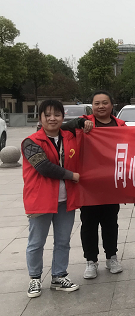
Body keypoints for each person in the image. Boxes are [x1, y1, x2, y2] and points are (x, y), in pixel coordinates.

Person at [62, 90, 125, 279]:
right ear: (92, 106)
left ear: (112, 105)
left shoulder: (120, 125)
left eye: (105, 102)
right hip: (88, 184)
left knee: (110, 223)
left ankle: (112, 257)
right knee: (89, 224)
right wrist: (79, 123)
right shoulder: (84, 122)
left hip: (111, 183)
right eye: (97, 103)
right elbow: (62, 129)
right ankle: (91, 260)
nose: (101, 106)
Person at [21, 99, 81, 298]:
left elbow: (79, 126)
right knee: (36, 242)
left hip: (66, 200)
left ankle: (59, 276)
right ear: (40, 118)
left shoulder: (69, 136)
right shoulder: (31, 142)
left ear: (63, 117)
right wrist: (71, 175)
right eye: (47, 115)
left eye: (57, 114)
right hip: (41, 199)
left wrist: (83, 122)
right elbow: (44, 167)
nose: (52, 118)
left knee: (63, 241)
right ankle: (35, 278)